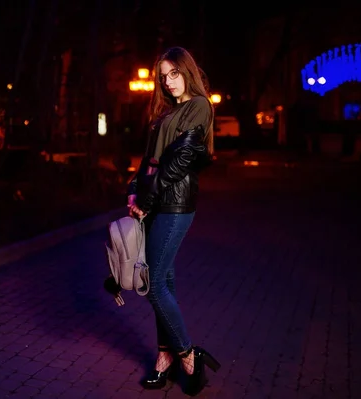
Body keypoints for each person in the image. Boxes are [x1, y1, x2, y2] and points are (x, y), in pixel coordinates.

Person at [127, 46, 221, 395]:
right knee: (164, 280)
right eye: (164, 76)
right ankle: (164, 357)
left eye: (174, 73)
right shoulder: (167, 111)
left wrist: (147, 198)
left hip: (176, 204)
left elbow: (179, 162)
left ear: (187, 71)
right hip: (154, 202)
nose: (168, 82)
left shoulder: (199, 106)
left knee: (152, 284)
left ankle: (188, 354)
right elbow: (149, 160)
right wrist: (134, 190)